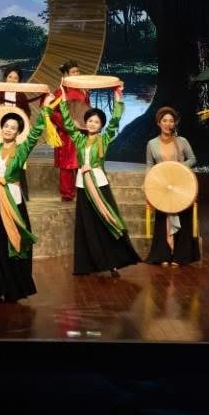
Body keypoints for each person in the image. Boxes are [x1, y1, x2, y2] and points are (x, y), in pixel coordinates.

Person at [0, 92, 52, 302]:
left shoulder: (22, 149)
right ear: (1, 128)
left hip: (12, 202)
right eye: (6, 126)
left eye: (13, 127)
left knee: (13, 244)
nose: (8, 129)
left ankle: (14, 288)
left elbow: (36, 131)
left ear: (18, 132)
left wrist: (46, 107)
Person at [59, 85, 139, 276]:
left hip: (99, 184)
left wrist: (118, 100)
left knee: (105, 220)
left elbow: (115, 122)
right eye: (90, 121)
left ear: (101, 125)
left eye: (96, 122)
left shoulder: (104, 139)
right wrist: (62, 102)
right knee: (86, 224)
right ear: (85, 123)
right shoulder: (79, 139)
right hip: (83, 185)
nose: (93, 124)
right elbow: (68, 124)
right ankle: (86, 265)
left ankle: (113, 263)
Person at [144, 107, 201, 266]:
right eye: (164, 121)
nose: (168, 124)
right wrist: (147, 182)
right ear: (158, 123)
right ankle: (163, 254)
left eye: (171, 121)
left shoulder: (182, 141)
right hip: (162, 185)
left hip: (182, 184)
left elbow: (192, 159)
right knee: (163, 218)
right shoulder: (151, 144)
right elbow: (149, 164)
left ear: (174, 123)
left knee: (183, 216)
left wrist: (178, 167)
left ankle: (180, 256)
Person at [0, 63, 36, 202]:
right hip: (0, 132)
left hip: (15, 134)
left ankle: (19, 192)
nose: (12, 80)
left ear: (19, 81)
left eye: (15, 78)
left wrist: (19, 114)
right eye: (10, 77)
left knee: (15, 163)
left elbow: (27, 113)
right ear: (5, 78)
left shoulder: (21, 95)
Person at [48, 60, 86, 203]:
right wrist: (67, 124)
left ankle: (84, 192)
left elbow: (86, 109)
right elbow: (50, 111)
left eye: (77, 71)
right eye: (73, 72)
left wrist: (87, 124)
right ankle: (67, 194)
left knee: (82, 162)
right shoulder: (61, 92)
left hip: (82, 132)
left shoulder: (83, 90)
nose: (76, 74)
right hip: (66, 134)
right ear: (66, 75)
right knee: (67, 164)